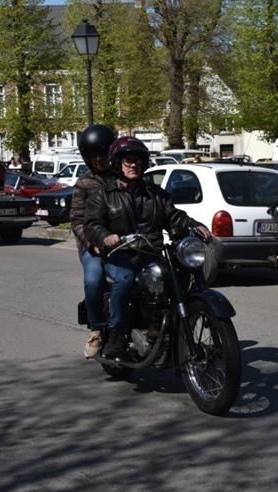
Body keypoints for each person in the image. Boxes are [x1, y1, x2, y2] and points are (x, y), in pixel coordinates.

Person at [83, 136, 212, 360]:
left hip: (150, 252)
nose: (133, 165)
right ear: (117, 164)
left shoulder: (155, 194)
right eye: (128, 161)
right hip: (119, 254)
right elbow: (92, 224)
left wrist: (193, 225)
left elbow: (174, 216)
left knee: (176, 275)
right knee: (124, 278)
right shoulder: (102, 195)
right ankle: (117, 333)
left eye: (138, 160)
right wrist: (105, 236)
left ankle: (167, 329)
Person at [70, 124, 116, 359]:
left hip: (123, 243)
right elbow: (77, 220)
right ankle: (96, 329)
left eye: (103, 153)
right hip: (95, 246)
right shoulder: (84, 184)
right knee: (93, 279)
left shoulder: (124, 177)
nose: (99, 159)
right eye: (93, 155)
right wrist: (92, 243)